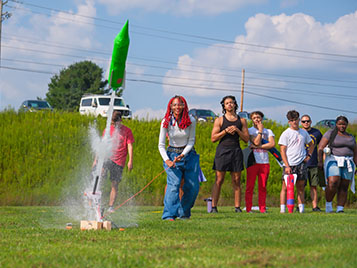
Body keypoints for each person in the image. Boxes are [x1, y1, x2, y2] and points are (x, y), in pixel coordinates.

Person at [158, 95, 200, 221]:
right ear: (170, 106)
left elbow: (191, 141)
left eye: (180, 104)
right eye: (175, 104)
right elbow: (161, 145)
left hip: (189, 155)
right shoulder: (166, 122)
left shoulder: (191, 120)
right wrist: (167, 160)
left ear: (184, 106)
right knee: (174, 185)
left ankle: (184, 212)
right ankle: (168, 215)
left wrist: (183, 154)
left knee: (193, 187)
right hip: (171, 154)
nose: (178, 107)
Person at [210, 95, 249, 213]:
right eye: (227, 103)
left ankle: (237, 207)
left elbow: (246, 139)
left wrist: (237, 130)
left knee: (237, 180)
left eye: (232, 103)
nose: (230, 105)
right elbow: (213, 138)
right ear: (224, 106)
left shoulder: (242, 121)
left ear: (235, 104)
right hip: (222, 151)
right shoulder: (219, 120)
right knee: (219, 180)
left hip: (236, 150)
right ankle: (213, 207)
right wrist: (225, 131)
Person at [93, 110, 134, 213]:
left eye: (115, 123)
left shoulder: (127, 131)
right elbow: (101, 145)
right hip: (107, 158)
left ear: (120, 120)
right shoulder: (107, 130)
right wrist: (96, 160)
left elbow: (130, 146)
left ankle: (110, 206)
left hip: (119, 161)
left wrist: (130, 161)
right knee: (100, 179)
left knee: (114, 184)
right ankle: (97, 203)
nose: (113, 125)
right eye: (112, 123)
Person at [318, 116, 357, 213]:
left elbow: (355, 152)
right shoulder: (330, 133)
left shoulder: (350, 137)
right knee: (333, 182)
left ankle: (340, 208)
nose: (342, 126)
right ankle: (328, 204)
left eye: (344, 124)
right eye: (340, 124)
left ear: (346, 125)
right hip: (334, 160)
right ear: (336, 124)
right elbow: (320, 147)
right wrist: (320, 162)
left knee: (344, 185)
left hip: (348, 162)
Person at [278, 110, 314, 213]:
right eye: (292, 120)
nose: (294, 122)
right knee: (285, 187)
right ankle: (283, 209)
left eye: (296, 120)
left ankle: (301, 209)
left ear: (299, 119)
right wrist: (287, 165)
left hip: (301, 163)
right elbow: (282, 150)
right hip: (289, 163)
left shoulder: (303, 132)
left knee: (301, 187)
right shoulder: (286, 133)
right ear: (289, 121)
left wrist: (309, 155)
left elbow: (311, 144)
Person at [245, 111, 275, 213]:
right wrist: (260, 131)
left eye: (258, 117)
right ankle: (248, 208)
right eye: (254, 118)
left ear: (262, 118)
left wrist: (258, 147)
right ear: (251, 120)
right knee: (250, 186)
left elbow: (272, 144)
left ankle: (262, 208)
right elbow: (256, 141)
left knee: (262, 186)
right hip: (252, 161)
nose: (257, 119)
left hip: (264, 161)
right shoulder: (249, 131)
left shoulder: (269, 131)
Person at [300, 114, 323, 212]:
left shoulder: (316, 132)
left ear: (311, 121)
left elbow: (322, 147)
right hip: (301, 162)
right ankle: (300, 206)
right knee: (301, 186)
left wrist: (321, 160)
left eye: (308, 121)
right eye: (304, 121)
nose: (306, 123)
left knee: (313, 186)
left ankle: (314, 206)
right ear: (301, 122)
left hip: (313, 162)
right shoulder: (298, 132)